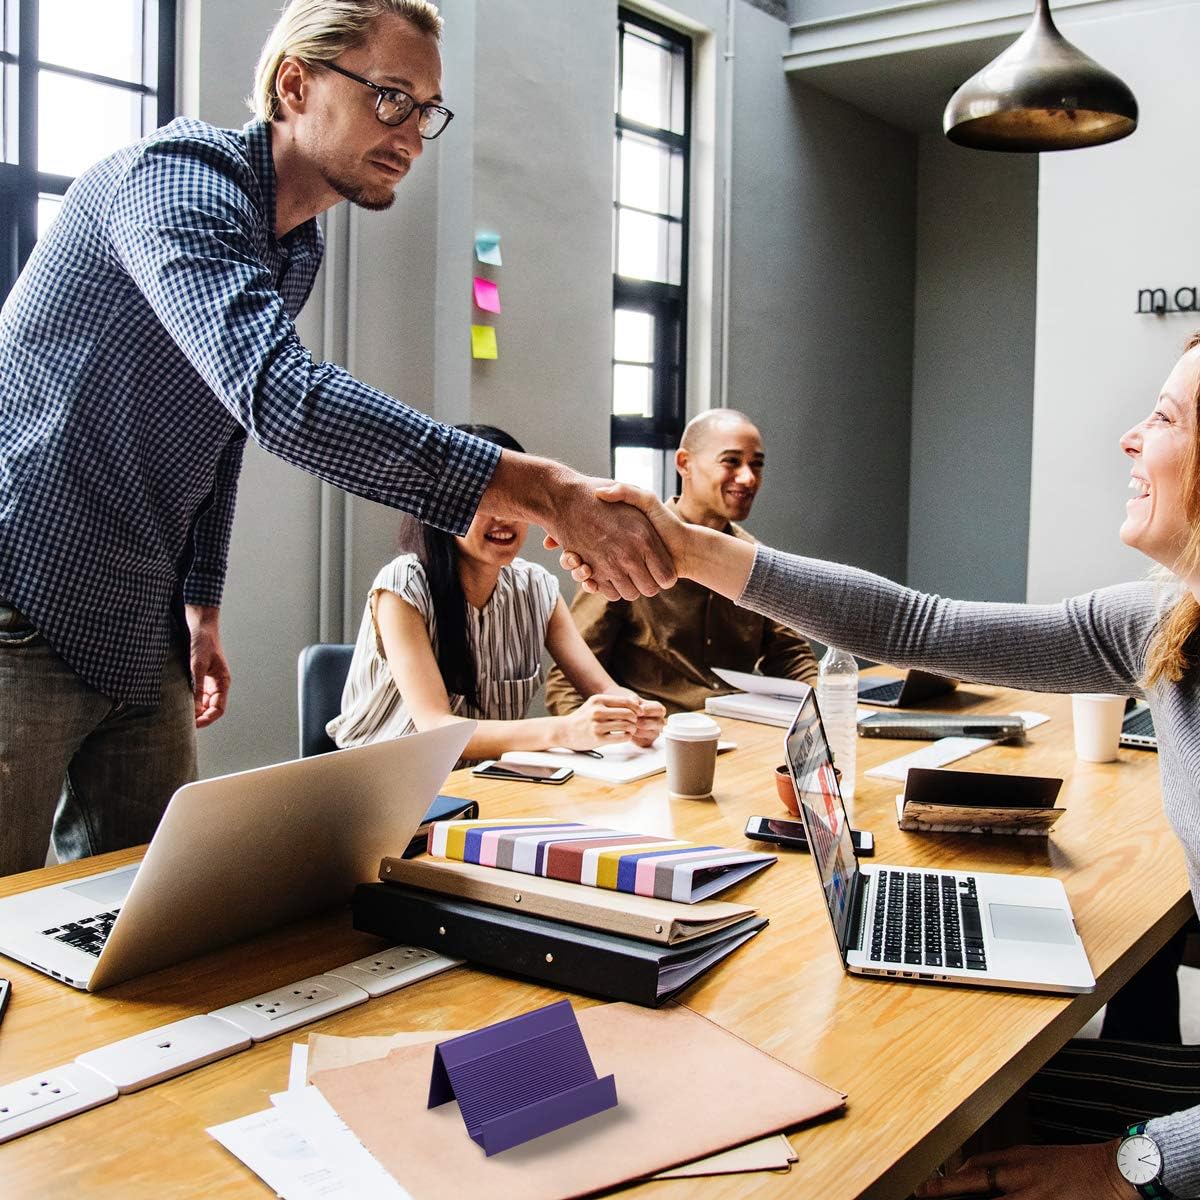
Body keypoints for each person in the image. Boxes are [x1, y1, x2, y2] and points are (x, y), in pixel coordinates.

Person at [0, 0, 672, 876]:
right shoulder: (176, 184)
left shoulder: (295, 244)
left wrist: (201, 602)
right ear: (294, 84)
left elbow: (226, 424)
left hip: (143, 614)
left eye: (426, 111)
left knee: (142, 915)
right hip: (20, 591)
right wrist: (542, 488)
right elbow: (278, 396)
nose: (412, 135)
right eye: (391, 97)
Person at [559, 335, 1200, 1200]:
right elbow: (914, 624)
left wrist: (1139, 1166)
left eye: (1161, 418)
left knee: (914, 1121)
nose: (1128, 437)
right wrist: (688, 548)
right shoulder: (1160, 622)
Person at [328, 425, 665, 763]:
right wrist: (565, 730)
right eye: (484, 500)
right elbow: (436, 729)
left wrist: (636, 713)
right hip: (386, 786)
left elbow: (605, 690)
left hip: (486, 781)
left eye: (517, 502)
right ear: (443, 506)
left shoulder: (537, 587)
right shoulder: (404, 585)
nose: (504, 517)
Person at [544, 410, 817, 717]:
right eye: (731, 461)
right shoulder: (629, 549)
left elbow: (791, 656)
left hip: (739, 735)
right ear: (685, 463)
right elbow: (568, 680)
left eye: (757, 465)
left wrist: (833, 707)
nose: (748, 477)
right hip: (655, 739)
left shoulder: (754, 556)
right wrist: (594, 742)